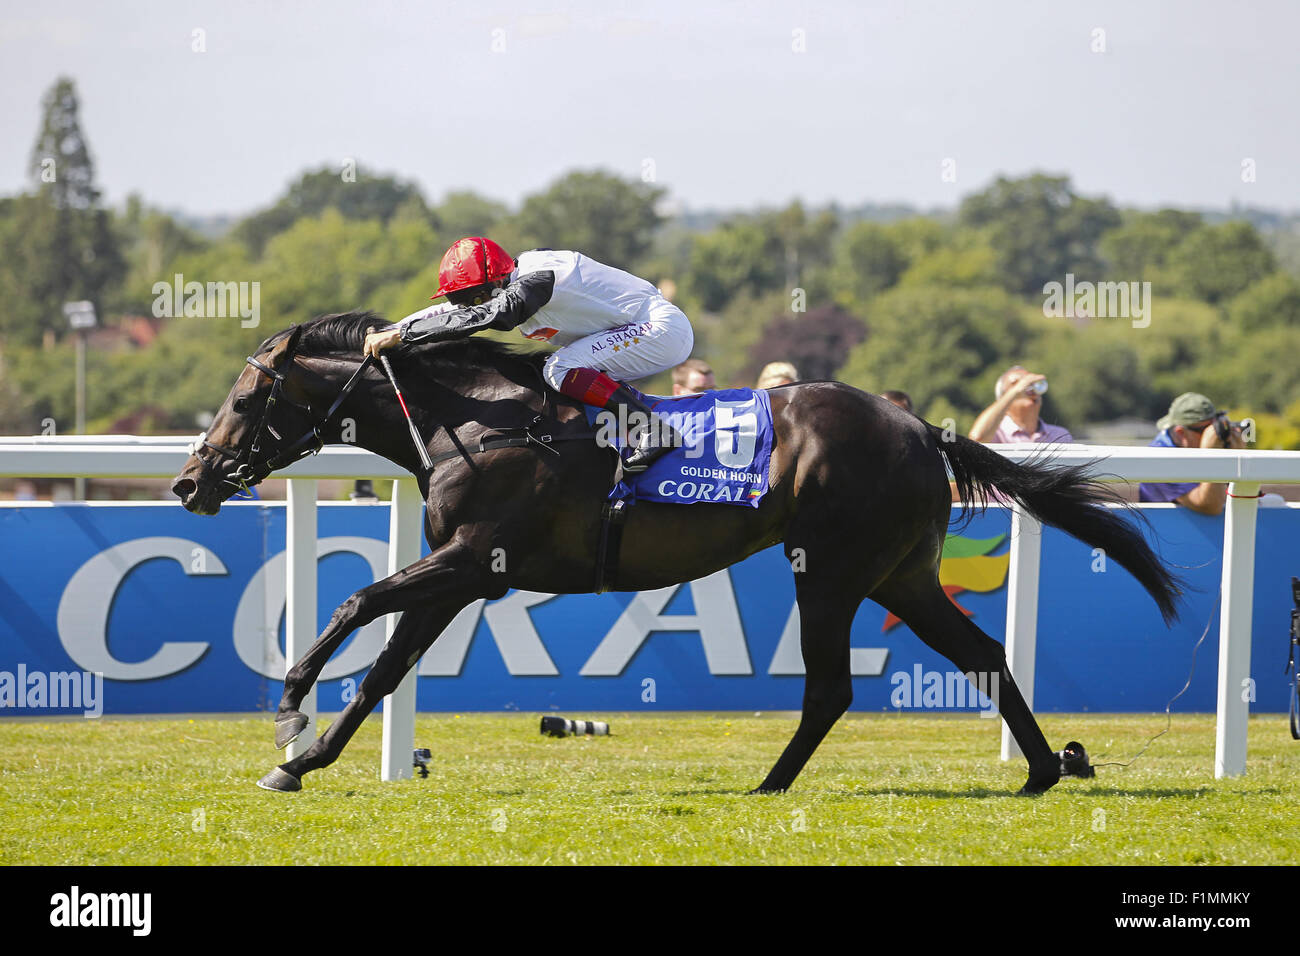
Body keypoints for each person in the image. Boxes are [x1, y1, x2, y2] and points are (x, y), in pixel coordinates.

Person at [364, 237, 693, 473]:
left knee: (559, 369)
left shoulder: (535, 282)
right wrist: (394, 327)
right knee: (563, 368)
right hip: (638, 328)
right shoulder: (510, 278)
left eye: (471, 297)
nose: (465, 306)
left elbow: (485, 317)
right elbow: (453, 310)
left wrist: (404, 335)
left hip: (659, 330)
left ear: (496, 284)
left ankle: (653, 429)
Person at [1139, 392, 1246, 516]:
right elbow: (1211, 506)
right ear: (1181, 433)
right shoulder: (1159, 458)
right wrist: (1212, 455)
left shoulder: (1192, 447)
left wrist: (1237, 459)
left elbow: (1246, 497)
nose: (1214, 435)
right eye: (1206, 429)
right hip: (1166, 530)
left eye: (1215, 426)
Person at [969, 365, 1073, 445]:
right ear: (1004, 399)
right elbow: (977, 437)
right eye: (1015, 383)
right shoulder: (996, 433)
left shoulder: (1060, 436)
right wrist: (1017, 390)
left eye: (1030, 383)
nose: (1026, 387)